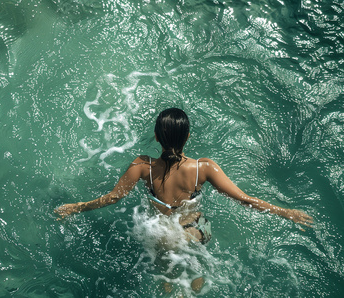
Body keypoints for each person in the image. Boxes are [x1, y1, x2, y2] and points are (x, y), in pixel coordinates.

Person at [54, 108, 313, 291]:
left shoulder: (142, 166)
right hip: (196, 231)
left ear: (157, 137)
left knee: (166, 278)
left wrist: (76, 208)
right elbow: (244, 200)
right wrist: (284, 212)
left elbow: (112, 198)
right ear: (187, 137)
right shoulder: (204, 168)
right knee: (199, 262)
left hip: (162, 233)